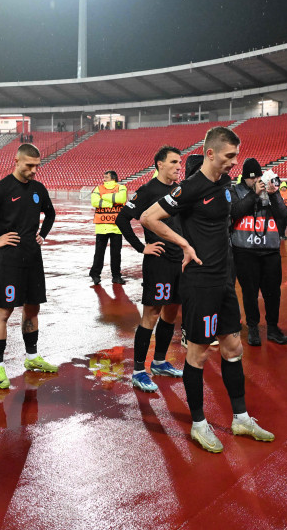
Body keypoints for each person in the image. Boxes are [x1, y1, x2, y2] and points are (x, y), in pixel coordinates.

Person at [141, 126, 275, 453]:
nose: (234, 162)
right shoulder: (189, 188)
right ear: (211, 153)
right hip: (199, 284)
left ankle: (241, 418)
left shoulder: (227, 185)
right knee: (197, 354)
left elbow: (225, 222)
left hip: (225, 281)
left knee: (233, 348)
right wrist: (184, 243)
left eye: (236, 156)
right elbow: (149, 217)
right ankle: (199, 424)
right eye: (229, 156)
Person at [0, 143, 58, 390]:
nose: (34, 171)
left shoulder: (39, 189)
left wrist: (43, 234)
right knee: (3, 313)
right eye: (29, 165)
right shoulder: (2, 188)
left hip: (33, 258)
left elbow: (50, 214)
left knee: (32, 309)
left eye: (37, 166)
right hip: (10, 260)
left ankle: (32, 358)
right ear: (16, 161)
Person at [115, 146, 184, 392]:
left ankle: (160, 362)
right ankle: (138, 370)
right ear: (159, 164)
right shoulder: (147, 190)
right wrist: (141, 247)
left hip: (179, 260)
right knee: (152, 314)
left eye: (180, 162)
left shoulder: (179, 190)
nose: (179, 166)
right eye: (174, 162)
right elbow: (122, 218)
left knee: (171, 313)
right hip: (158, 261)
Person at [229, 158, 287, 346]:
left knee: (273, 292)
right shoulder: (235, 191)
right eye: (252, 178)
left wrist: (274, 194)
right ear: (245, 178)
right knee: (250, 292)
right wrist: (254, 195)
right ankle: (253, 327)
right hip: (245, 250)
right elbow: (235, 212)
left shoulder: (269, 190)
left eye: (258, 177)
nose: (256, 181)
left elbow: (282, 215)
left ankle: (273, 328)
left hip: (270, 250)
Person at [89, 170, 128, 285]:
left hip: (116, 227)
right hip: (102, 226)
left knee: (116, 254)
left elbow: (121, 199)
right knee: (99, 253)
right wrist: (111, 203)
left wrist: (104, 197)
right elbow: (94, 202)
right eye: (104, 176)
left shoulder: (121, 187)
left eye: (106, 176)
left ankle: (115, 276)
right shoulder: (98, 188)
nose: (104, 178)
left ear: (113, 178)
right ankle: (96, 274)